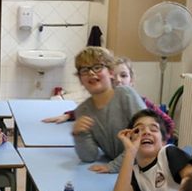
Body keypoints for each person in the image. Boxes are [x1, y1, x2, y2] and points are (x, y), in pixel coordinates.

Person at [42, 55, 175, 137]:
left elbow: (168, 123)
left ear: (132, 80)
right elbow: (91, 110)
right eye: (113, 77)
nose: (118, 80)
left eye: (123, 75)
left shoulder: (143, 103)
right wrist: (69, 115)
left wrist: (161, 144)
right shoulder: (107, 102)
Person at [70, 47, 146, 174]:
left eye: (97, 67)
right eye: (84, 70)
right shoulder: (82, 110)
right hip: (122, 172)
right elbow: (89, 156)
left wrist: (114, 166)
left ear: (110, 72)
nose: (91, 73)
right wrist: (79, 134)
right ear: (80, 79)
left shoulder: (125, 95)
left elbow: (143, 138)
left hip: (145, 167)